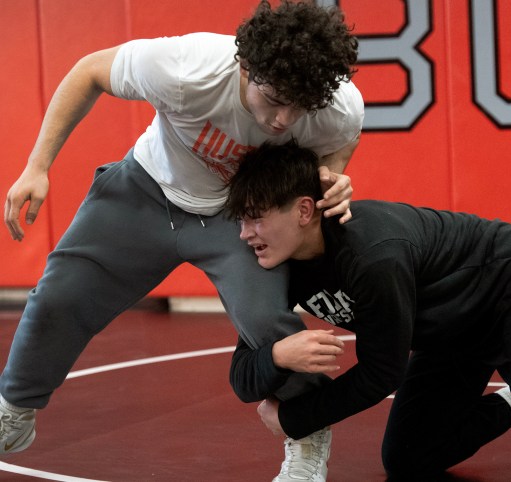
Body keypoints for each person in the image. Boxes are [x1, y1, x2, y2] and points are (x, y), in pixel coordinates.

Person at [0, 0, 364, 466]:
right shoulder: (186, 69)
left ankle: (308, 436)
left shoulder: (335, 105)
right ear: (245, 67)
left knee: (268, 324)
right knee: (58, 296)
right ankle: (15, 409)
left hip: (238, 217)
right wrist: (37, 166)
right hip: (145, 191)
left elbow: (344, 136)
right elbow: (89, 71)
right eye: (274, 100)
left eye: (300, 108)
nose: (283, 121)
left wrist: (331, 174)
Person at [226, 140, 511, 481]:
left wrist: (296, 419)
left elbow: (382, 372)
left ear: (304, 210)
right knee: (409, 459)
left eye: (257, 218)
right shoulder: (274, 265)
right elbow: (242, 376)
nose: (245, 234)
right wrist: (276, 356)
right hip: (448, 330)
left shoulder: (372, 255)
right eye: (242, 220)